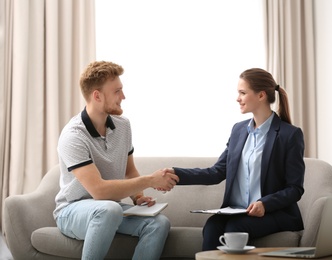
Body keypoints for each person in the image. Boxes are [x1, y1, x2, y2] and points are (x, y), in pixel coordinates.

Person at [164, 68, 305, 250]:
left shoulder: (289, 135)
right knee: (212, 226)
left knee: (235, 228)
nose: (237, 98)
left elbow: (295, 188)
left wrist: (265, 203)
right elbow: (216, 172)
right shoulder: (238, 131)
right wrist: (176, 174)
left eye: (242, 93)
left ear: (261, 95)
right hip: (237, 211)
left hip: (275, 213)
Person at [54, 61, 179, 260]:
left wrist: (138, 197)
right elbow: (99, 191)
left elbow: (129, 170)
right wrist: (150, 180)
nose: (123, 96)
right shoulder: (73, 135)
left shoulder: (123, 126)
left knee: (158, 223)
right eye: (117, 91)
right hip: (72, 211)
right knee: (109, 208)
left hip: (108, 209)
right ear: (97, 96)